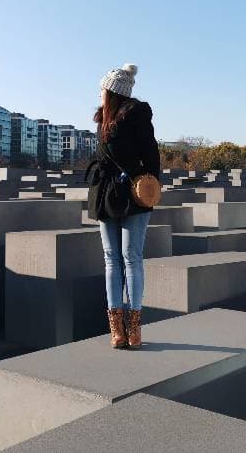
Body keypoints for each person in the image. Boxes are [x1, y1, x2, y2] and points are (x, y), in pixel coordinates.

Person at [89, 63, 160, 349]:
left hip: (132, 193)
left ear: (111, 91)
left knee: (131, 256)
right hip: (106, 192)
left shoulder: (137, 114)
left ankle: (134, 327)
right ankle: (116, 329)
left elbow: (151, 152)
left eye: (103, 88)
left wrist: (149, 185)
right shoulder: (101, 118)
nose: (100, 92)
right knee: (111, 258)